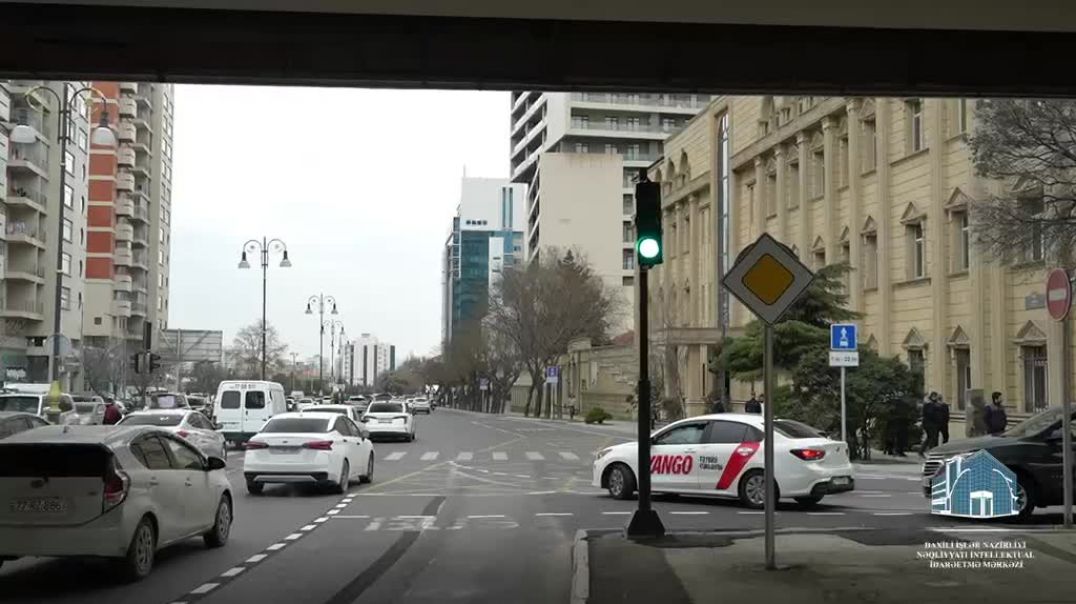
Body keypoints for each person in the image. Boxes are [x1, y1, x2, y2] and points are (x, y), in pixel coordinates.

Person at [919, 392, 942, 457]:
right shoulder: (929, 405)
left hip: (931, 424)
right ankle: (931, 451)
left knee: (930, 437)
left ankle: (922, 451)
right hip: (930, 424)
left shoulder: (933, 405)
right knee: (932, 437)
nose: (935, 398)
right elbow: (930, 414)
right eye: (934, 396)